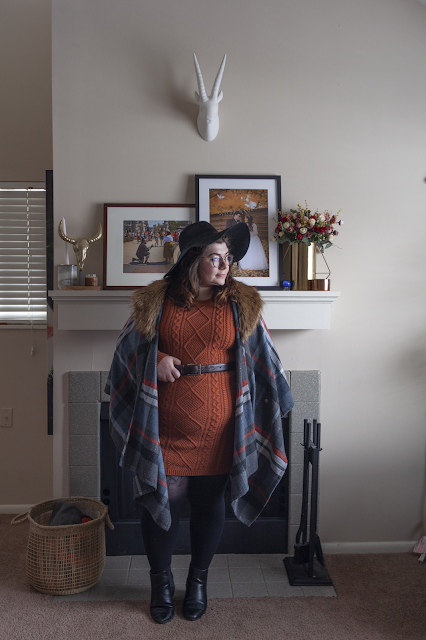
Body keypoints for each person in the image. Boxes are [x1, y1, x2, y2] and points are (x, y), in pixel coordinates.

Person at [106, 221, 293, 624]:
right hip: (165, 430)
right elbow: (124, 355)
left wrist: (278, 401)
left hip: (223, 429)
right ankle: (160, 582)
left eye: (228, 259)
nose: (224, 265)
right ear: (193, 259)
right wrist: (153, 361)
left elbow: (265, 360)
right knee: (163, 505)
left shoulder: (241, 305)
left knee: (210, 505)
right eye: (215, 257)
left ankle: (197, 582)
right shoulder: (155, 302)